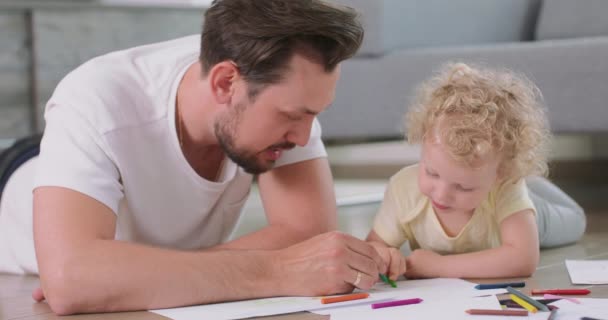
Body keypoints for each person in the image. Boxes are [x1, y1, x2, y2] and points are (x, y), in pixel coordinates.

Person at [0, 0, 388, 315]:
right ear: (224, 83)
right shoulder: (95, 99)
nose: (304, 137)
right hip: (19, 175)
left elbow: (307, 236)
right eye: (289, 116)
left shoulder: (285, 90)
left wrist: (133, 275)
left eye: (313, 115)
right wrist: (279, 269)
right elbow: (72, 279)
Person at [367, 63, 586, 280]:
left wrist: (440, 266)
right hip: (500, 185)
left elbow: (523, 259)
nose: (442, 195)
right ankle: (527, 182)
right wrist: (384, 257)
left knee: (577, 221)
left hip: (530, 215)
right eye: (432, 173)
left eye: (463, 186)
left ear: (500, 174)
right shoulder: (403, 189)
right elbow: (373, 247)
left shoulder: (505, 186)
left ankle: (529, 183)